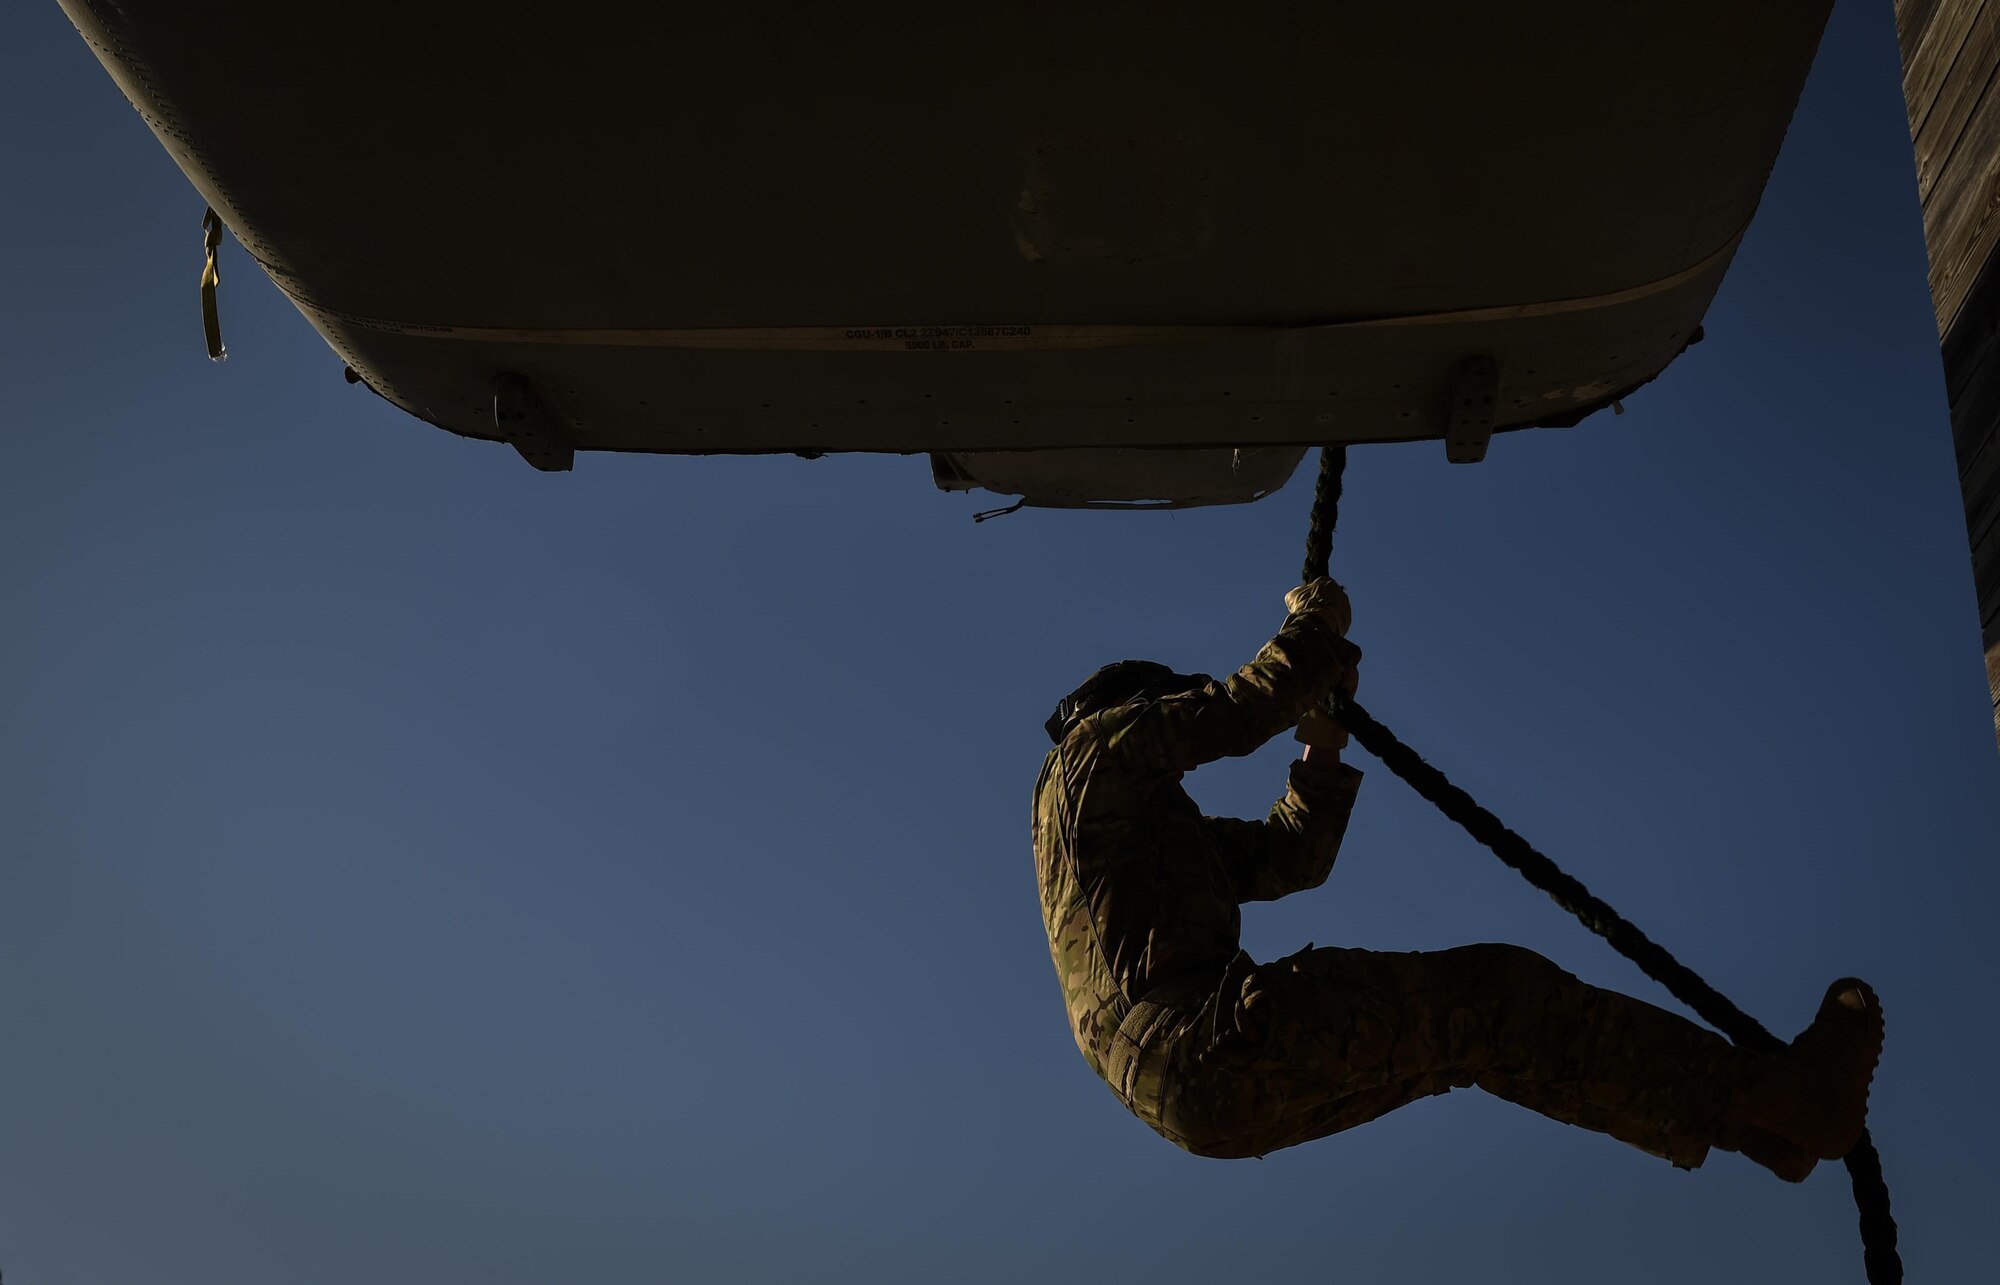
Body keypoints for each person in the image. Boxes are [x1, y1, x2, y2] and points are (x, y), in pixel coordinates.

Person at [1032, 578, 1882, 1181]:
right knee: (1493, 993)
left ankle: (1750, 1121)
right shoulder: (1090, 755)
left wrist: (1322, 741)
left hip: (1194, 1097)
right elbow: (1237, 708)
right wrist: (1314, 629)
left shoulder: (1130, 846)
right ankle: (1779, 1097)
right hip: (1202, 1047)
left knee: (1471, 1036)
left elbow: (1295, 857)